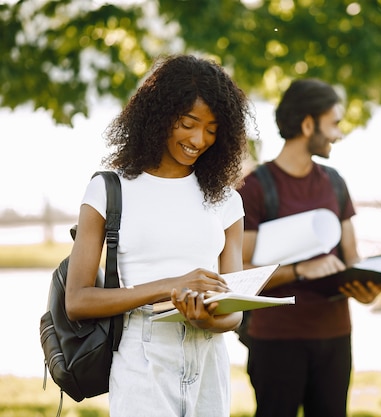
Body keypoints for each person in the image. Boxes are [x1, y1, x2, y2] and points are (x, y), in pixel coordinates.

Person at [64, 54, 252, 417]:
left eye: (212, 129)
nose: (199, 139)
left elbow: (236, 312)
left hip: (209, 357)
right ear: (160, 115)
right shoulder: (110, 189)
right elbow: (78, 300)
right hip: (142, 351)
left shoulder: (227, 200)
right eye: (188, 123)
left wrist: (206, 318)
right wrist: (169, 287)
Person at [238, 78, 381, 417]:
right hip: (276, 342)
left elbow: (350, 258)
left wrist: (366, 285)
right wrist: (301, 271)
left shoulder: (334, 182)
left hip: (335, 339)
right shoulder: (256, 189)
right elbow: (238, 274)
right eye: (334, 123)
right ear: (307, 124)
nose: (338, 133)